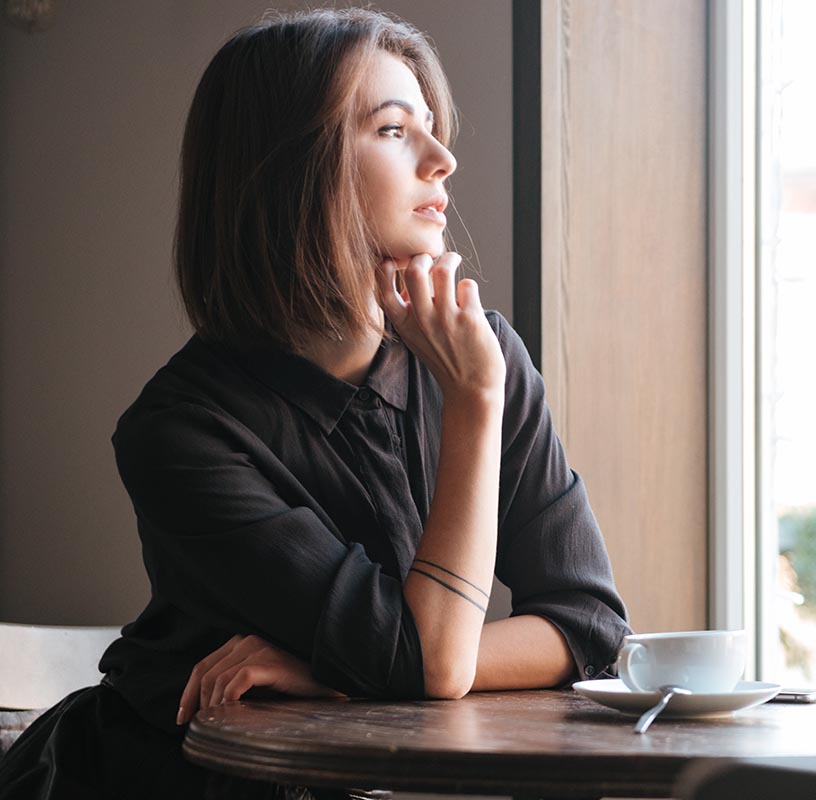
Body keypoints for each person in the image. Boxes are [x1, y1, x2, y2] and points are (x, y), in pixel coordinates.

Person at [0, 8, 630, 798]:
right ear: (294, 169)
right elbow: (429, 662)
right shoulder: (182, 432)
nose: (443, 160)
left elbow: (593, 628)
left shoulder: (482, 357)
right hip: (177, 777)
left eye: (432, 129)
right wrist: (472, 404)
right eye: (396, 131)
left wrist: (343, 670)